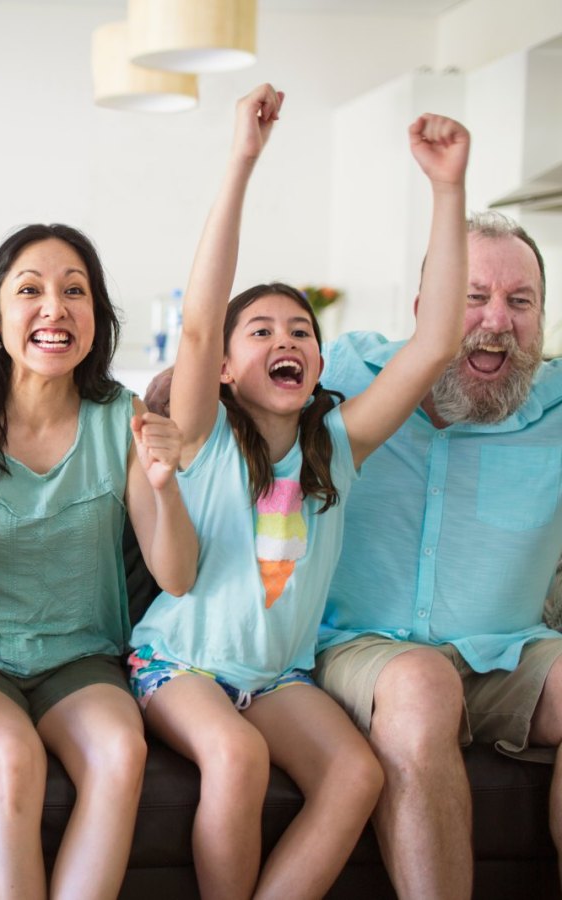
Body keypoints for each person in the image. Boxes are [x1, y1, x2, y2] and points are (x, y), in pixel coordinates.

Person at [128, 84, 469, 900]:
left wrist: (449, 189)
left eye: (302, 332)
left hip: (278, 676)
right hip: (179, 664)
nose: (287, 340)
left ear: (316, 364)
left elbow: (433, 345)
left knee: (355, 776)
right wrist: (243, 159)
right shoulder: (203, 430)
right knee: (237, 758)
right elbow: (203, 320)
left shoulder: (336, 446)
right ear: (222, 367)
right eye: (264, 331)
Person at [0, 221, 198, 900]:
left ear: (95, 317)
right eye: (30, 290)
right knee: (12, 758)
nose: (54, 308)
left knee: (121, 754)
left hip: (81, 657)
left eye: (75, 291)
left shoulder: (121, 418)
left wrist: (164, 482)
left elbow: (177, 575)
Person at [312, 208, 562, 897]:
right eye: (474, 296)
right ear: (425, 308)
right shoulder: (339, 377)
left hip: (511, 653)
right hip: (365, 650)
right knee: (423, 684)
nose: (497, 320)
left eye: (520, 301)